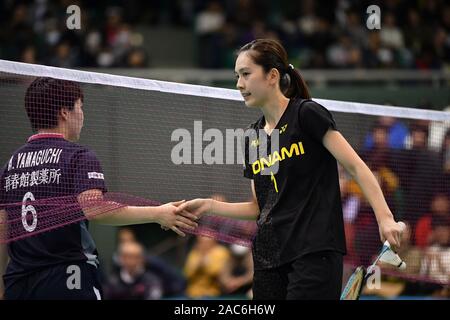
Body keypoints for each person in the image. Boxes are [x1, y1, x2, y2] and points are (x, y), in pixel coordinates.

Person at [176, 39, 404, 300]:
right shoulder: (254, 137)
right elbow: (260, 208)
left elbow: (355, 166)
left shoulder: (306, 114)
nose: (239, 84)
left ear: (272, 76)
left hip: (313, 250)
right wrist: (208, 206)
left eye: (246, 74)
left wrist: (385, 218)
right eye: (237, 76)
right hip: (268, 257)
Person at [0, 77, 198, 300]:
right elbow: (95, 208)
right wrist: (158, 213)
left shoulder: (10, 165)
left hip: (17, 281)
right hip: (67, 277)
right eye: (80, 107)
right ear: (65, 112)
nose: (83, 115)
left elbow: (2, 226)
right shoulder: (77, 156)